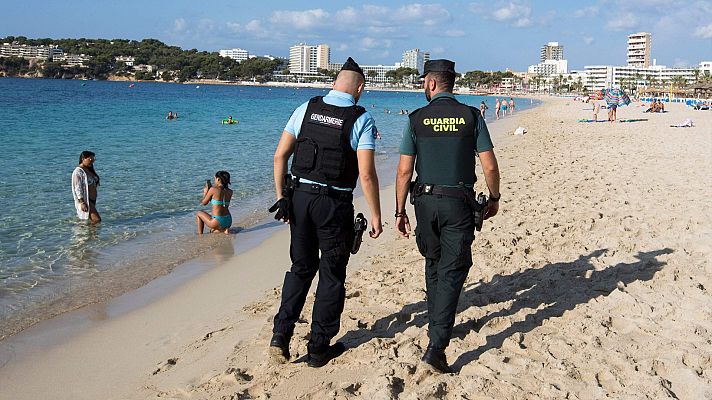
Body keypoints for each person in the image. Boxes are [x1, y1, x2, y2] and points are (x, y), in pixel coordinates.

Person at [268, 57, 383, 368]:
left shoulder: (306, 108)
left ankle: (281, 335)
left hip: (300, 199)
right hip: (334, 205)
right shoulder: (361, 118)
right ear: (360, 87)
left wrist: (282, 199)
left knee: (300, 268)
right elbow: (367, 174)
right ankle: (319, 347)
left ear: (334, 84)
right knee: (331, 275)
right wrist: (375, 215)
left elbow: (280, 157)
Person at [394, 59, 501, 373]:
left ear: (430, 83)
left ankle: (436, 327)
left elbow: (403, 172)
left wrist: (399, 210)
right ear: (450, 83)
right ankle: (437, 346)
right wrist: (494, 198)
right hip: (458, 203)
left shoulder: (416, 118)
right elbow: (490, 166)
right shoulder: (471, 116)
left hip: (424, 203)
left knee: (433, 262)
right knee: (454, 268)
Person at [72, 151, 101, 224]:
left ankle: (90, 234)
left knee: (91, 220)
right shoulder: (78, 172)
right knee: (97, 220)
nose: (92, 161)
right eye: (90, 159)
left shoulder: (89, 169)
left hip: (92, 199)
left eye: (93, 160)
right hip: (86, 200)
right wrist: (82, 202)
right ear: (83, 159)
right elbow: (77, 188)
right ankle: (92, 234)